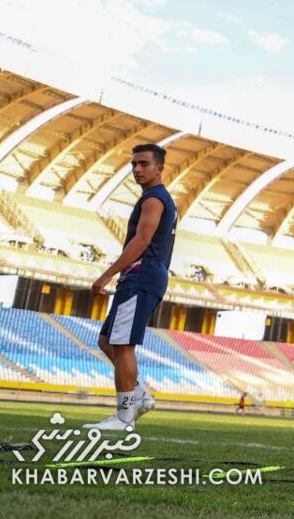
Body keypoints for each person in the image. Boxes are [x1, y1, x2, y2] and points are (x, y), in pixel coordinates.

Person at [84, 144, 176, 432]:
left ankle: (125, 418)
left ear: (159, 168)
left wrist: (107, 274)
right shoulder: (155, 198)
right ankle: (139, 395)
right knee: (107, 340)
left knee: (123, 344)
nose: (137, 169)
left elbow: (142, 241)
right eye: (134, 164)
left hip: (141, 275)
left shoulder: (154, 199)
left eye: (144, 164)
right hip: (142, 277)